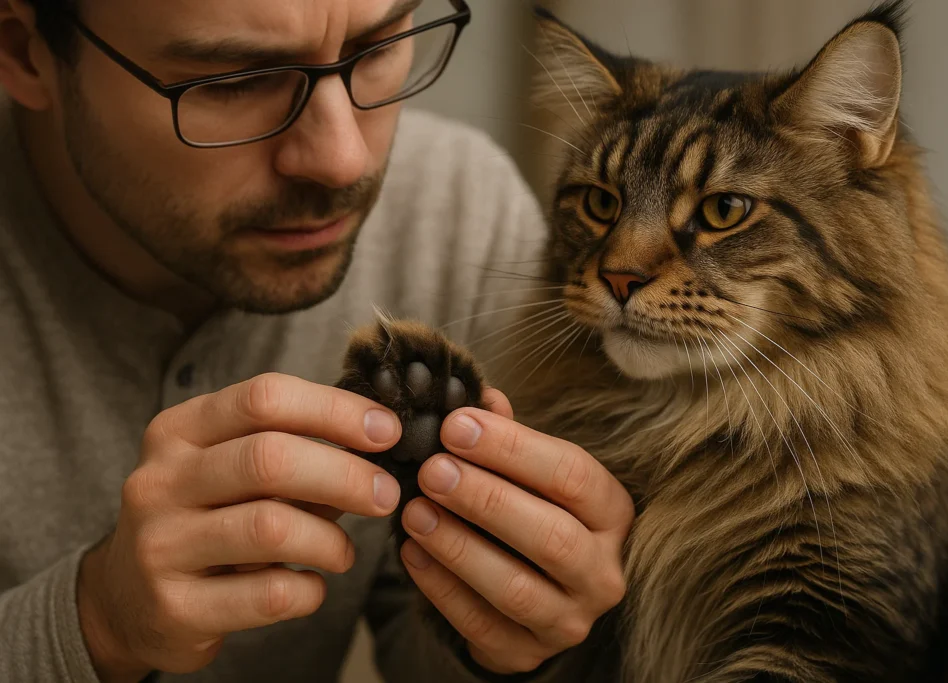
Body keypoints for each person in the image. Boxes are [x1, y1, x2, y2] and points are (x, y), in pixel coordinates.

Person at [0, 0, 636, 681]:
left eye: (379, 45)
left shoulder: (453, 213)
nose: (341, 160)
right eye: (232, 83)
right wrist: (94, 620)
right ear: (23, 51)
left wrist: (529, 644)